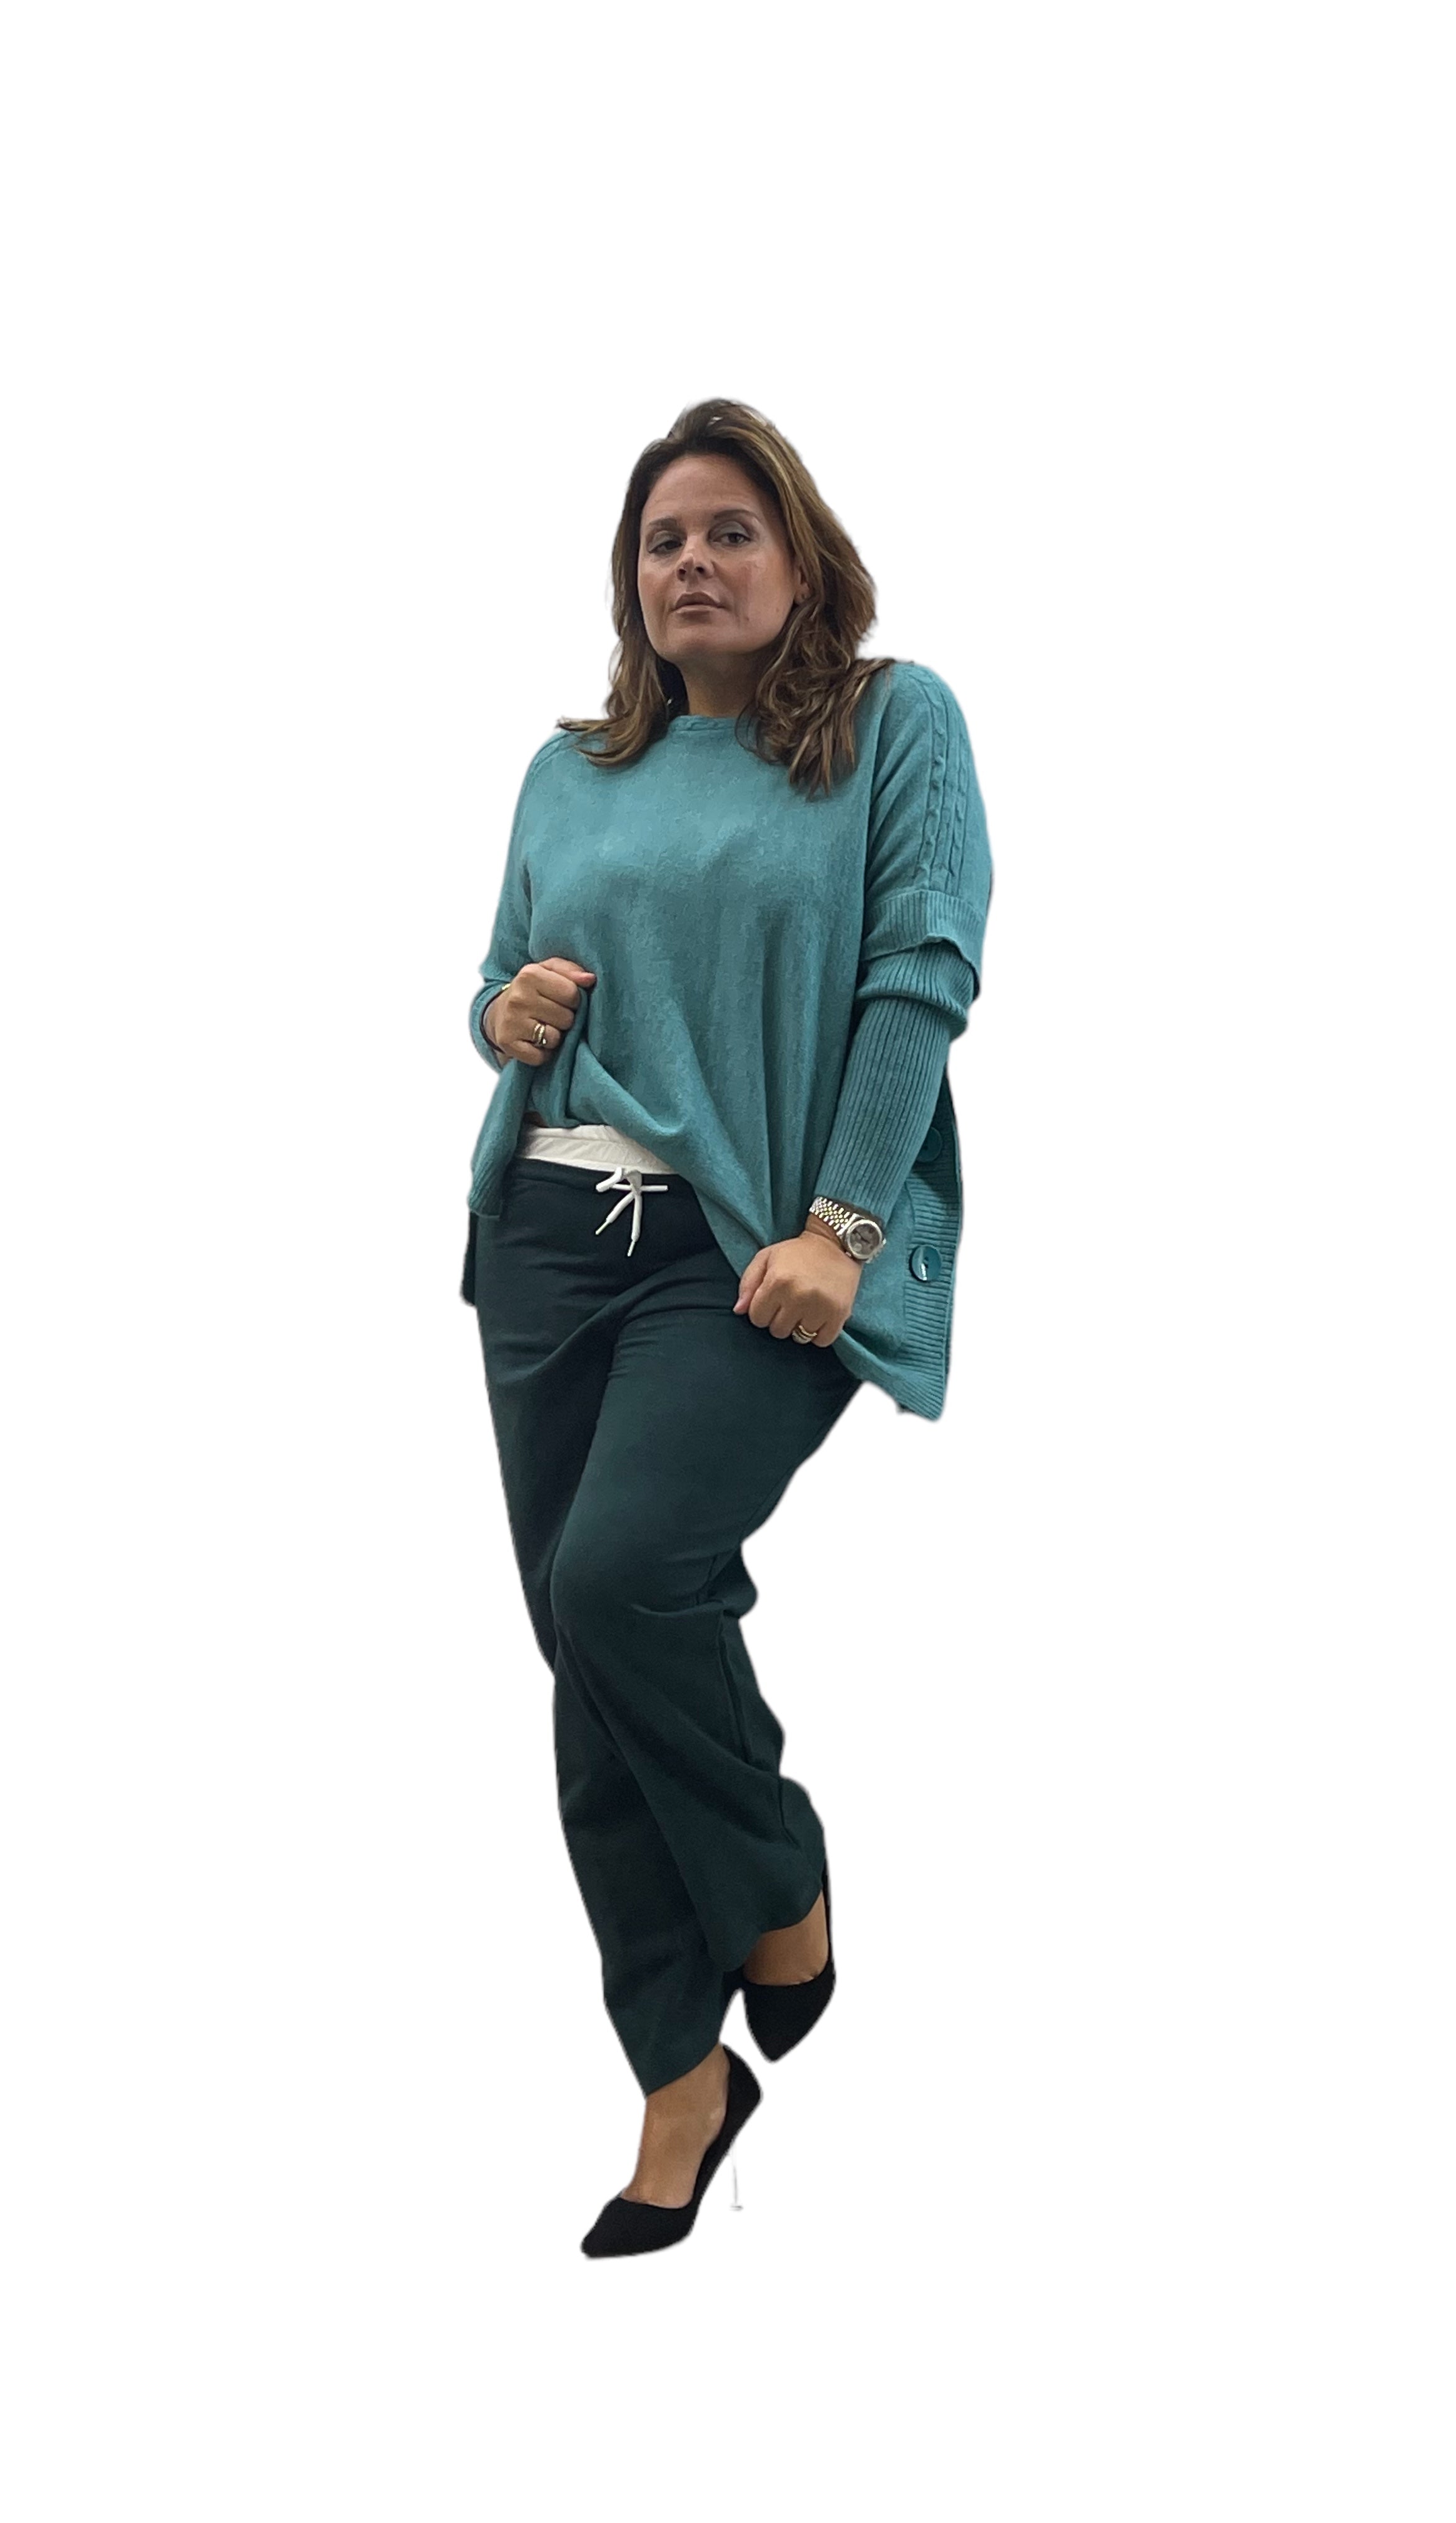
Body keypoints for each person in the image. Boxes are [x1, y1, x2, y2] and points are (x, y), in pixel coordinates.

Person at [461, 398, 992, 2257]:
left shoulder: (892, 725)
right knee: (586, 1654)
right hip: (546, 1232)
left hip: (741, 1246)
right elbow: (495, 988)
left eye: (730, 530)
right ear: (631, 579)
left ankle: (778, 1877)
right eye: (663, 538)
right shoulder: (570, 770)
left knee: (625, 1582)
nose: (692, 560)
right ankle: (678, 2073)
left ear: (801, 554)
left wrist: (842, 1227)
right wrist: (505, 1014)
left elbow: (921, 975)